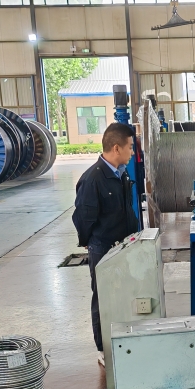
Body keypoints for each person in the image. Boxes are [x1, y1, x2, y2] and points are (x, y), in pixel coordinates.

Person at [72, 123, 140, 366]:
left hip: (125, 245)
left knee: (125, 293)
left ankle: (125, 338)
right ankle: (103, 347)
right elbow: (83, 218)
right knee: (103, 298)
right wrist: (91, 242)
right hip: (103, 248)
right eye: (130, 147)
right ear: (116, 147)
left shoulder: (121, 174)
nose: (132, 152)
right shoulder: (92, 179)